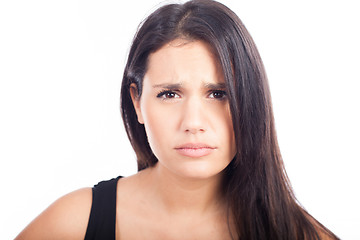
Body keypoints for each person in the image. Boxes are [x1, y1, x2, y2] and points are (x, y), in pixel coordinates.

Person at [15, 0, 339, 239]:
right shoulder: (71, 224)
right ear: (137, 102)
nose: (193, 122)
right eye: (170, 94)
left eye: (218, 94)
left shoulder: (301, 234)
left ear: (250, 101)